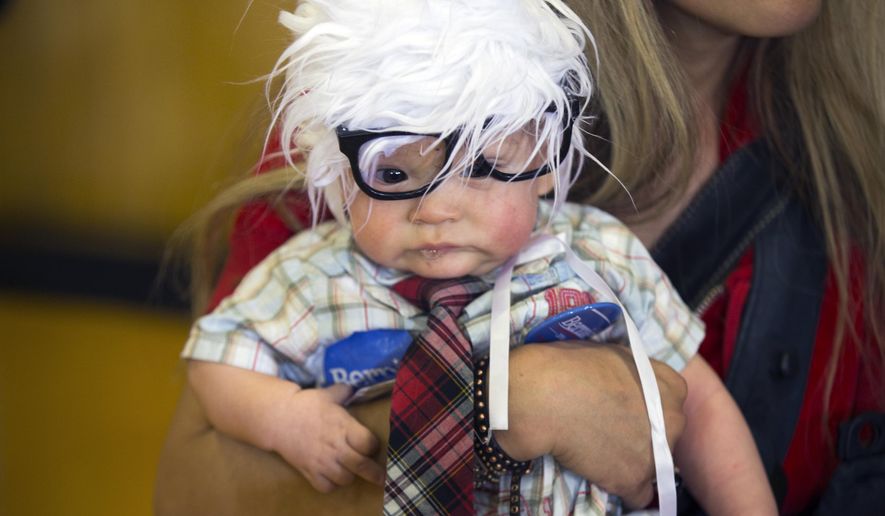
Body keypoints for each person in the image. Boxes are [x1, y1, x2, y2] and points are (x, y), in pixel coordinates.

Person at [155, 1, 885, 515]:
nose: (435, 206)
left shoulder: (848, 161)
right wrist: (506, 401)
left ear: (544, 163)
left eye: (485, 164)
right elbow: (188, 489)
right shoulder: (373, 103)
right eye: (404, 175)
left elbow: (703, 410)